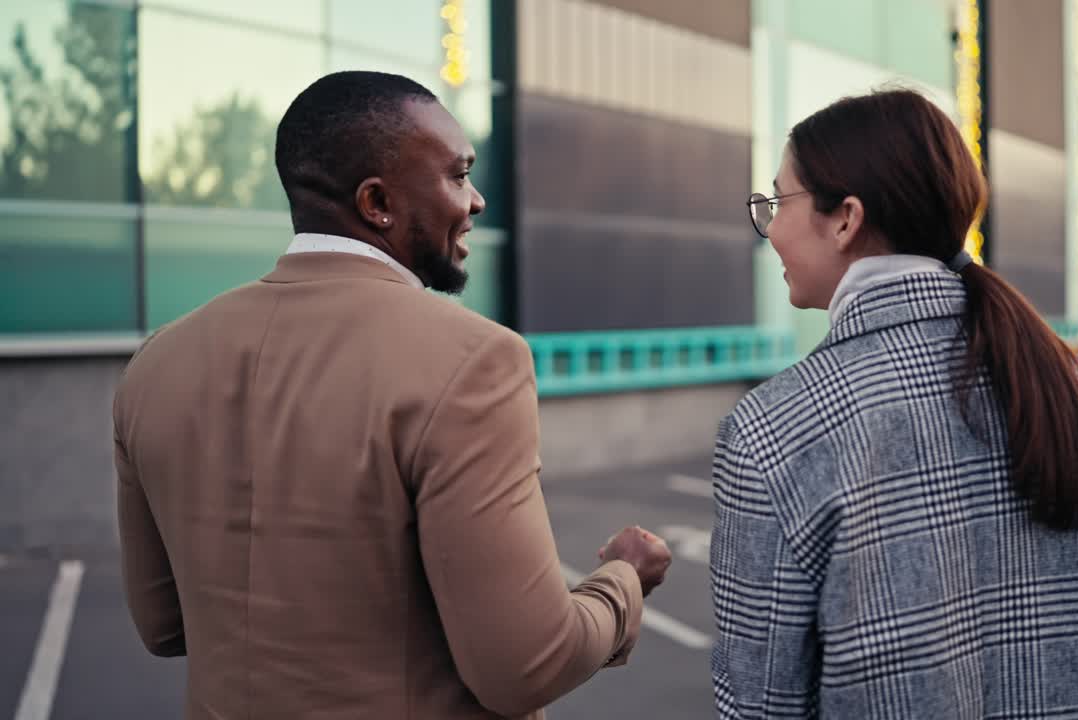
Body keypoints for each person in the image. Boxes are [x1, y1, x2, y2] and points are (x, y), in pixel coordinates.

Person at [113, 70, 671, 720]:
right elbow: (527, 665)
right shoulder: (473, 362)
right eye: (458, 176)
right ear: (377, 203)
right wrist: (624, 580)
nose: (478, 199)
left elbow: (164, 626)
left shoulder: (157, 363)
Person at [710, 89, 1078, 719]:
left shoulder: (773, 430)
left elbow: (760, 706)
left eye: (779, 201)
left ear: (846, 218)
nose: (769, 226)